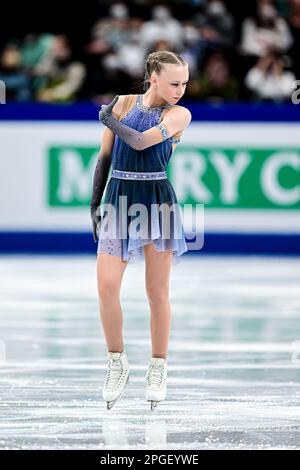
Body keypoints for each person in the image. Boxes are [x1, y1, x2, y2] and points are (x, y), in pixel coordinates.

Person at [90, 50, 192, 410]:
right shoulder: (122, 103)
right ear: (154, 78)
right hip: (118, 197)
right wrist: (94, 205)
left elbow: (140, 141)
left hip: (157, 199)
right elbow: (105, 158)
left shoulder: (179, 114)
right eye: (174, 82)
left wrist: (108, 119)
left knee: (156, 291)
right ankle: (117, 362)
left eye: (184, 82)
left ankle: (158, 365)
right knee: (105, 286)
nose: (181, 89)